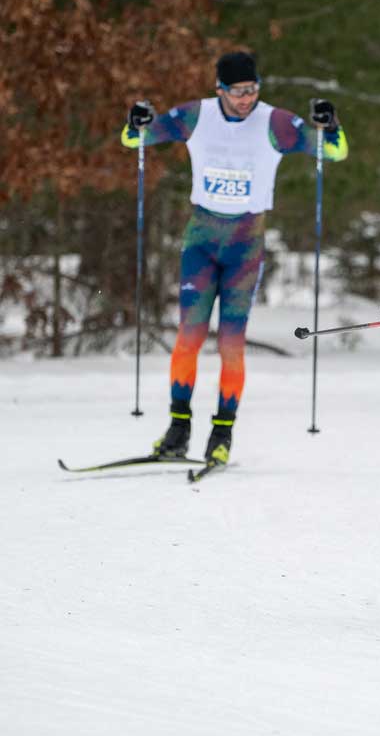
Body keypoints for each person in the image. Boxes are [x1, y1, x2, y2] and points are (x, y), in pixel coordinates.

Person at [122, 51, 348, 464]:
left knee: (231, 343)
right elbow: (135, 139)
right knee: (189, 338)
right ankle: (178, 428)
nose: (247, 99)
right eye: (238, 91)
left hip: (246, 245)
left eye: (253, 89)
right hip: (201, 241)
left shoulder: (274, 122)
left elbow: (333, 152)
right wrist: (136, 120)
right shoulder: (197, 116)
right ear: (220, 89)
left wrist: (331, 125)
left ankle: (222, 433)